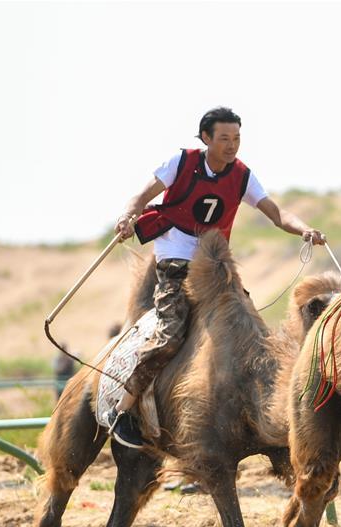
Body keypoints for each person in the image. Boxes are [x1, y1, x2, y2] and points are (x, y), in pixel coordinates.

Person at [105, 107, 326, 448]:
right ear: (206, 138)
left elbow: (276, 212)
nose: (232, 145)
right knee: (170, 335)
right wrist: (126, 215)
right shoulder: (180, 163)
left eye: (236, 138)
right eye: (224, 138)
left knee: (250, 326)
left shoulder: (241, 176)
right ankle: (125, 410)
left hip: (215, 267)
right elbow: (141, 197)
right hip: (175, 263)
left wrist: (305, 230)